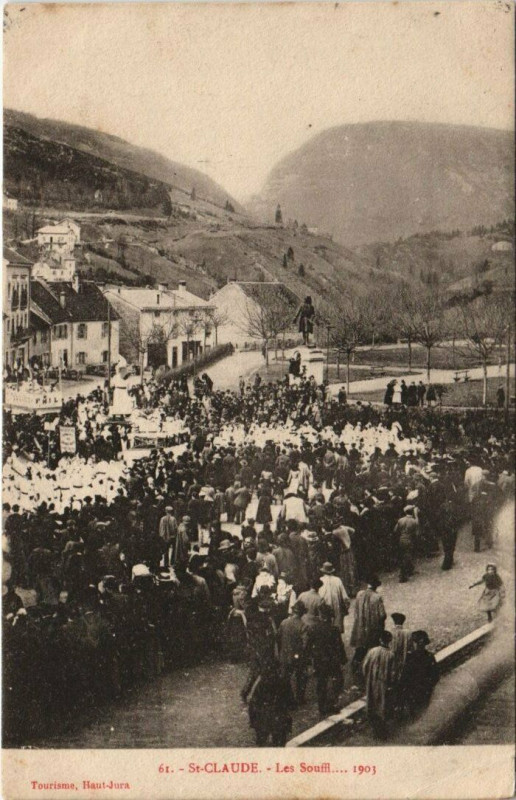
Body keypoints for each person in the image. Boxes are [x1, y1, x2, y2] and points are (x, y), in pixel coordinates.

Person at [307, 604, 346, 717]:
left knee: (321, 683)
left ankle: (322, 706)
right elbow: (339, 645)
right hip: (332, 660)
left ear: (320, 615)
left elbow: (308, 645)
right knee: (337, 681)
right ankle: (331, 703)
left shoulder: (313, 628)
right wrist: (343, 658)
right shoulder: (334, 629)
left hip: (319, 660)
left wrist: (309, 659)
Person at [247, 659, 292, 746]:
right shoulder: (284, 682)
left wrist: (253, 721)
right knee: (279, 743)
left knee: (262, 742)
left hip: (263, 718)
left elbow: (253, 703)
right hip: (279, 718)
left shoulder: (260, 683)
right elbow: (291, 702)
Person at [350, 576, 386, 684]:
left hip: (360, 627)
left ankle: (355, 668)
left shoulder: (359, 594)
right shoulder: (377, 597)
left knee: (360, 649)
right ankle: (373, 672)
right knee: (374, 649)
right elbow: (382, 615)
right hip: (373, 629)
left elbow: (356, 611)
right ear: (376, 586)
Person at [362, 630, 395, 737]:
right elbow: (393, 672)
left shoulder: (372, 651)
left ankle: (375, 727)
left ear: (380, 639)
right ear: (390, 640)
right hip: (384, 682)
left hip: (371, 681)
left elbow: (365, 666)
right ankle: (381, 729)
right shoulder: (390, 654)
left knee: (371, 702)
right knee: (382, 703)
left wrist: (367, 677)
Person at [398, 630, 439, 716]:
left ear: (415, 643)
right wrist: (429, 686)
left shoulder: (410, 657)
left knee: (414, 713)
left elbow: (405, 676)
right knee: (424, 711)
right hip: (425, 690)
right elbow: (436, 675)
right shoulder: (429, 656)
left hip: (413, 691)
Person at [277, 600, 308, 705]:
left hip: (284, 654)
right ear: (302, 613)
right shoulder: (303, 625)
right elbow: (305, 644)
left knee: (285, 677)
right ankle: (300, 698)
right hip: (297, 656)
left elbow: (278, 637)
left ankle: (286, 699)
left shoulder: (284, 622)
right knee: (301, 676)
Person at [318, 562, 350, 634]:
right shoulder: (337, 580)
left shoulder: (320, 580)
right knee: (336, 629)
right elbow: (345, 598)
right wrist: (345, 609)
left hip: (324, 609)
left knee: (326, 629)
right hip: (336, 609)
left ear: (323, 571)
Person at [394, 506, 419, 583]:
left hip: (401, 540)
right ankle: (403, 575)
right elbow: (417, 533)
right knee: (407, 556)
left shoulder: (400, 520)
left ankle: (409, 570)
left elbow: (395, 530)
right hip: (409, 540)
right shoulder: (413, 521)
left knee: (403, 556)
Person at [389, 612, 412, 684]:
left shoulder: (390, 632)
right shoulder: (408, 633)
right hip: (404, 660)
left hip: (392, 661)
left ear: (394, 621)